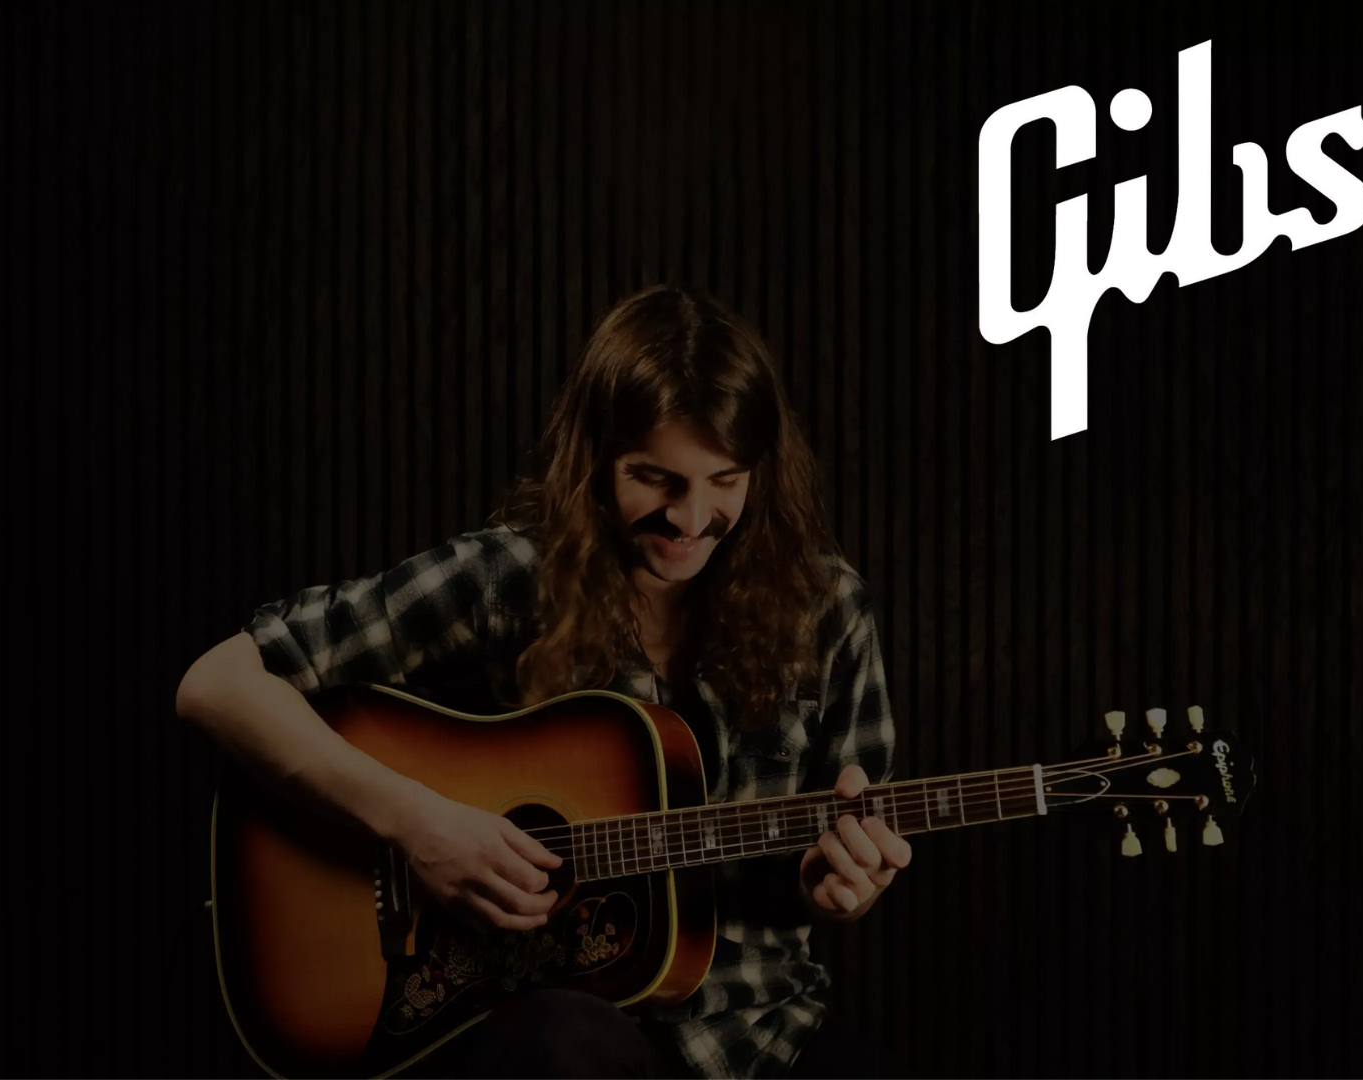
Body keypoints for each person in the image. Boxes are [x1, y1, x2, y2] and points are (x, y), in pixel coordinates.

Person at [175, 283, 910, 1078]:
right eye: (655, 479)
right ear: (595, 458)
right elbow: (216, 683)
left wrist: (840, 886)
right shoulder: (507, 579)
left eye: (724, 481)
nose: (691, 519)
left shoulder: (827, 610)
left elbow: (847, 850)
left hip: (759, 1030)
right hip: (556, 1025)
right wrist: (418, 825)